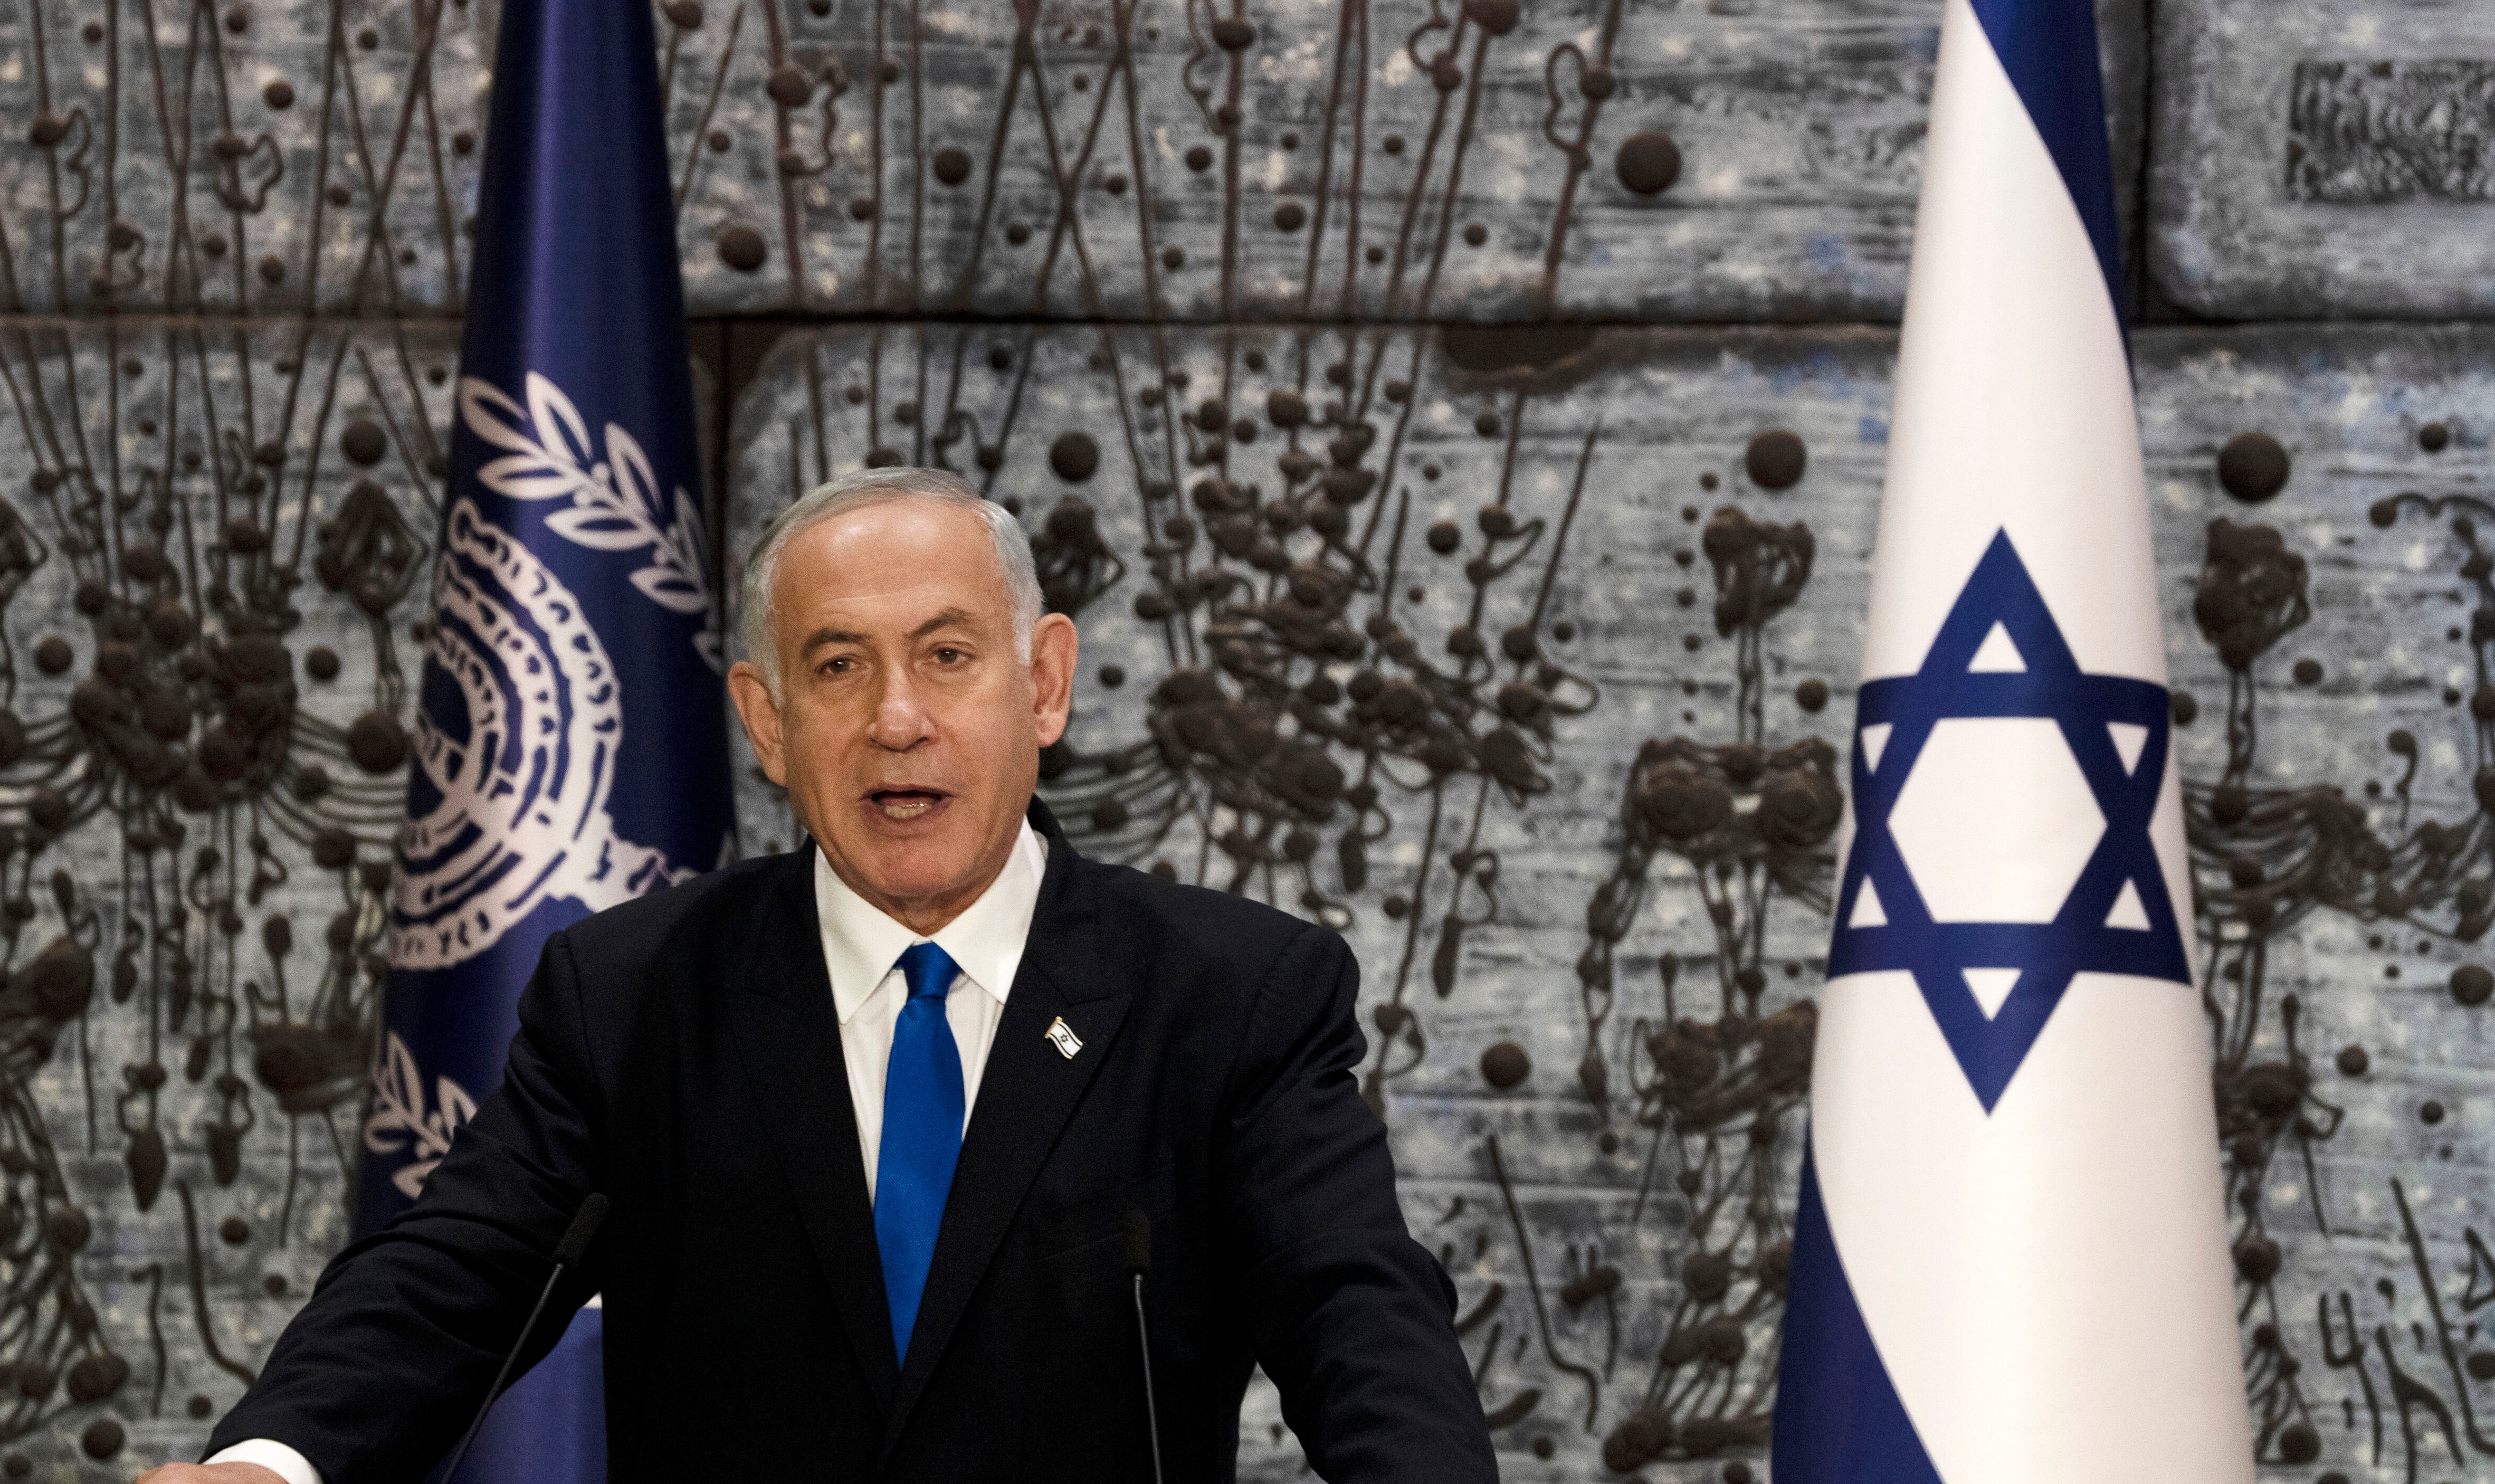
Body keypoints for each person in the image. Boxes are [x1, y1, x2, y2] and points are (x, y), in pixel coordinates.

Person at [144, 468, 1496, 1483]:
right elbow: (454, 1271)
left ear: (1044, 684)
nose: (896, 717)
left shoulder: (1233, 994)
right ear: (767, 721)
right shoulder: (631, 994)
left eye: (947, 656)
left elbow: (1356, 1307)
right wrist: (270, 1462)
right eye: (838, 666)